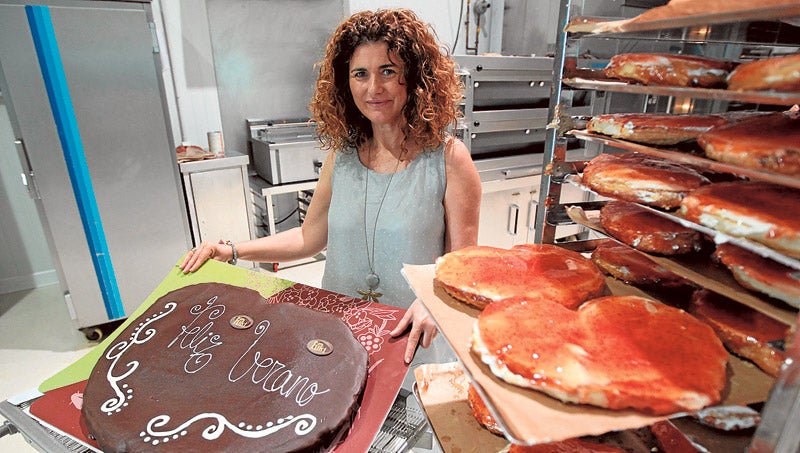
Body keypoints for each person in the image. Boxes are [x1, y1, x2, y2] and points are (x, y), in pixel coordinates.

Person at [180, 8, 481, 364]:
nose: (374, 88)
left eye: (388, 71)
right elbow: (309, 237)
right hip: (342, 337)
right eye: (360, 74)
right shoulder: (343, 157)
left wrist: (433, 300)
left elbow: (463, 265)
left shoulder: (448, 159)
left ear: (414, 77)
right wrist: (231, 250)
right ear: (345, 82)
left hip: (412, 344)